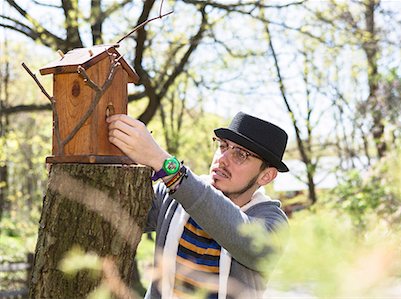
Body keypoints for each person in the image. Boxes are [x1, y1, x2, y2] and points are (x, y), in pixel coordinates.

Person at [107, 111, 290, 299]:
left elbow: (239, 233)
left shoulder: (273, 223)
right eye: (223, 146)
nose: (222, 159)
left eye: (240, 155)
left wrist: (165, 165)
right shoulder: (174, 193)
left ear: (266, 176)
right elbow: (110, 219)